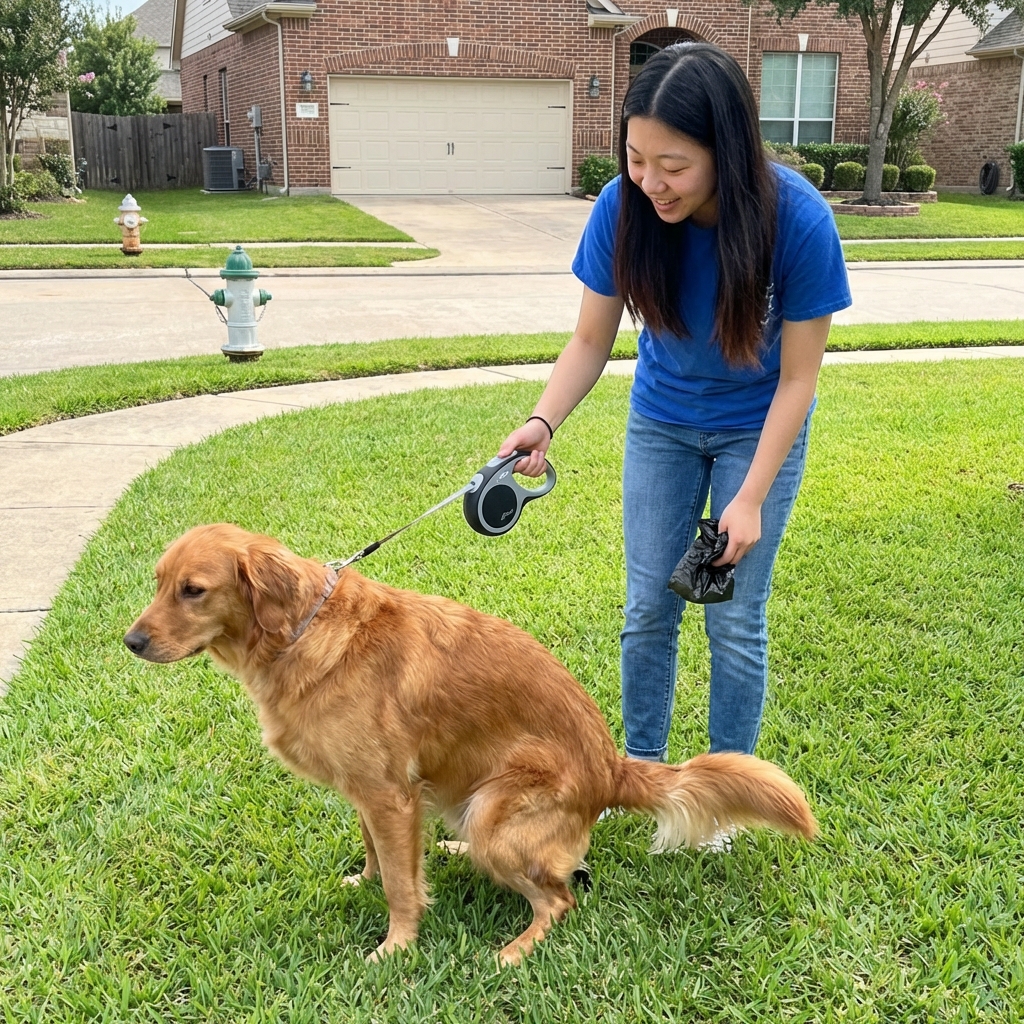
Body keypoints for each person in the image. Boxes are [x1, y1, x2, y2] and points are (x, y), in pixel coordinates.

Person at [499, 42, 852, 764]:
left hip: (755, 430)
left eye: (674, 166)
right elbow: (591, 339)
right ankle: (643, 773)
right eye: (636, 157)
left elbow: (798, 381)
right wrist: (542, 420)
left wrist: (748, 498)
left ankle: (724, 793)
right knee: (647, 610)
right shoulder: (621, 208)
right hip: (661, 421)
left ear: (727, 151)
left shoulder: (800, 220)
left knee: (734, 620)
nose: (651, 182)